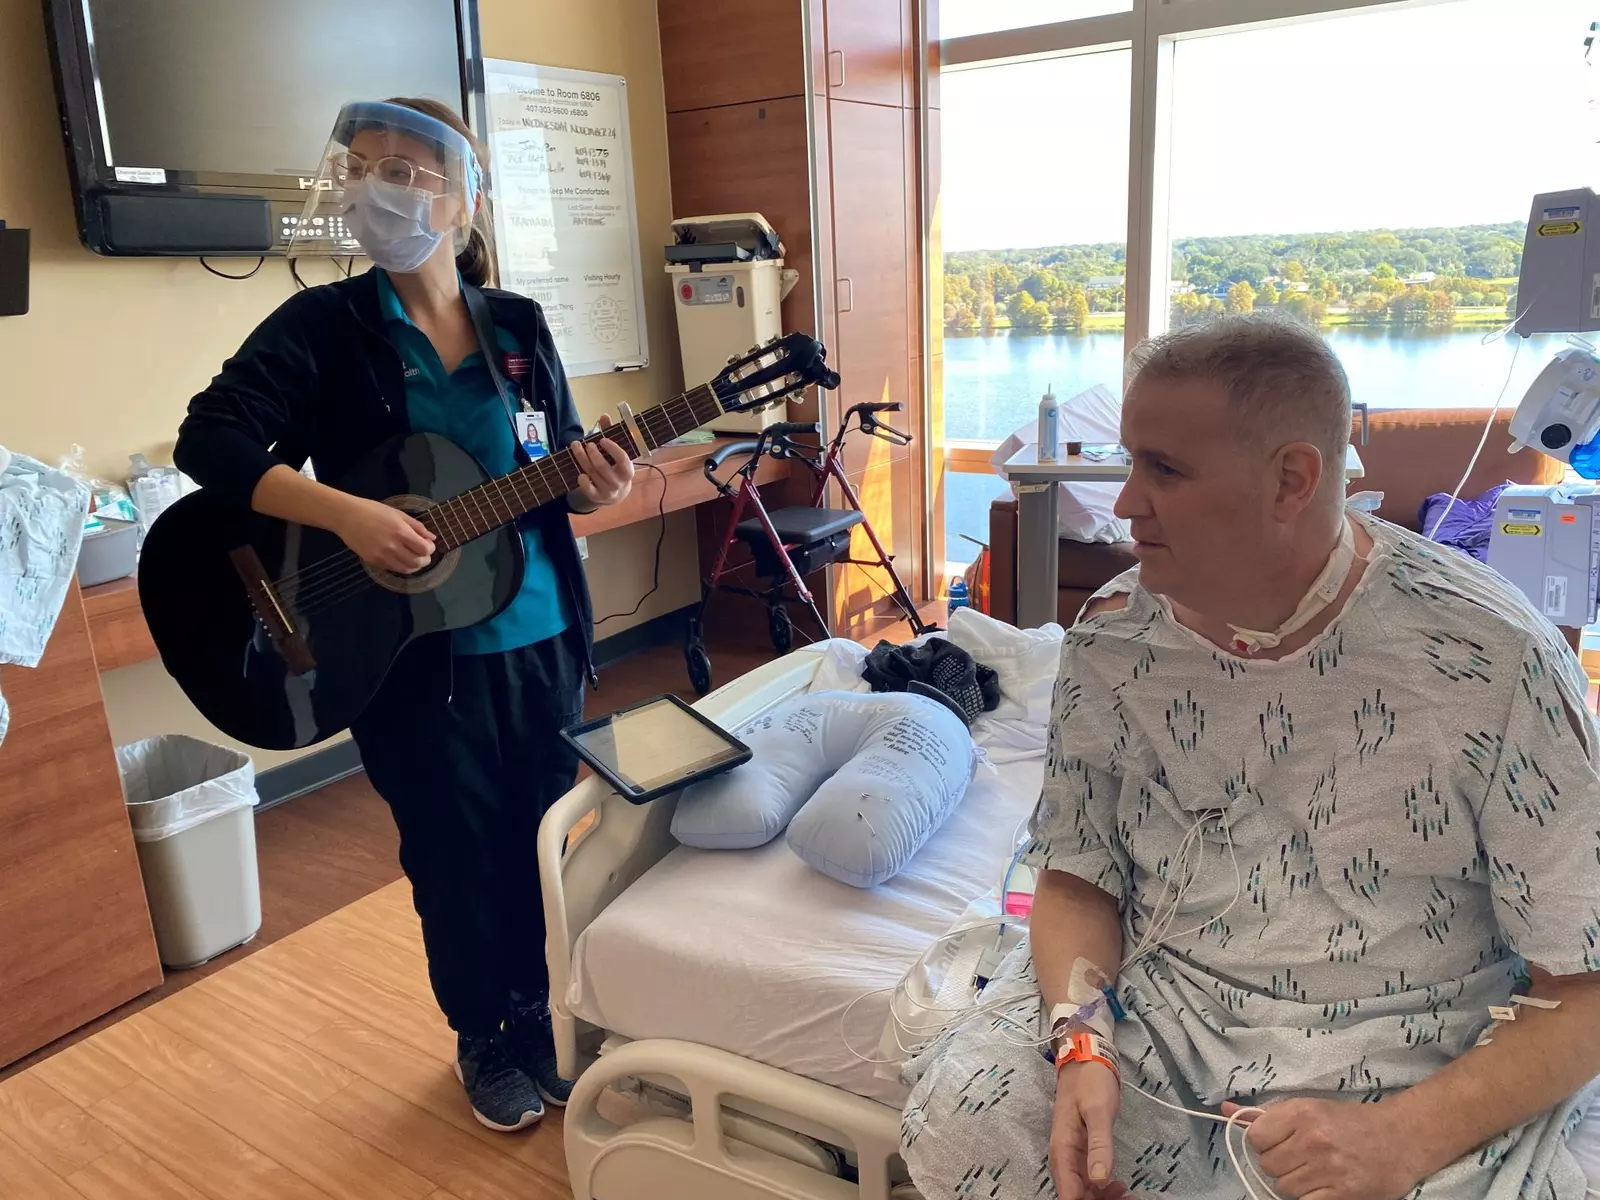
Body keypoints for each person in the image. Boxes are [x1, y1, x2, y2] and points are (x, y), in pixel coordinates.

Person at [900, 316, 1600, 1200]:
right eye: (1130, 461)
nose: (1123, 503)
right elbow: (1077, 878)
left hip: (1415, 1038)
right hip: (1162, 1015)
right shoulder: (1116, 639)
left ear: (1292, 480)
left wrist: (1399, 1139)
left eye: (1165, 469)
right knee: (979, 1123)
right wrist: (1083, 1043)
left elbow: (1585, 986)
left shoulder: (1492, 662)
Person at [173, 98, 634, 1133]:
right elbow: (209, 440)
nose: (380, 187)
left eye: (409, 170)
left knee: (542, 836)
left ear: (464, 198)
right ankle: (485, 1035)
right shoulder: (323, 329)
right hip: (405, 653)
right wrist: (350, 515)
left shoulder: (517, 325)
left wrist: (592, 485)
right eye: (366, 166)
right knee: (450, 848)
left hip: (541, 634)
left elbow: (547, 461)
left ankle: (542, 1013)